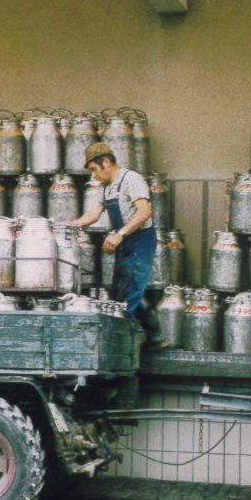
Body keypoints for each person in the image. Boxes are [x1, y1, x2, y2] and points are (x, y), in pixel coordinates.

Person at [69, 142, 166, 350]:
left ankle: (124, 349)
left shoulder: (131, 179)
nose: (93, 175)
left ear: (106, 162)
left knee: (128, 295)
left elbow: (144, 212)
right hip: (125, 242)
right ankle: (155, 337)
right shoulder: (106, 188)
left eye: (94, 169)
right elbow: (93, 215)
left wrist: (119, 234)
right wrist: (68, 225)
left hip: (140, 240)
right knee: (121, 292)